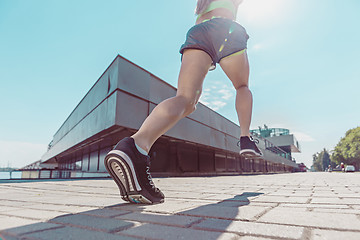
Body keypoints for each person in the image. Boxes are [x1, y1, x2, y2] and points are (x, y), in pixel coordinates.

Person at [104, 0, 262, 204]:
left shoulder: (202, 4)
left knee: (185, 99)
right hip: (226, 29)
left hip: (198, 32)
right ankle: (246, 138)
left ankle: (135, 146)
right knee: (242, 87)